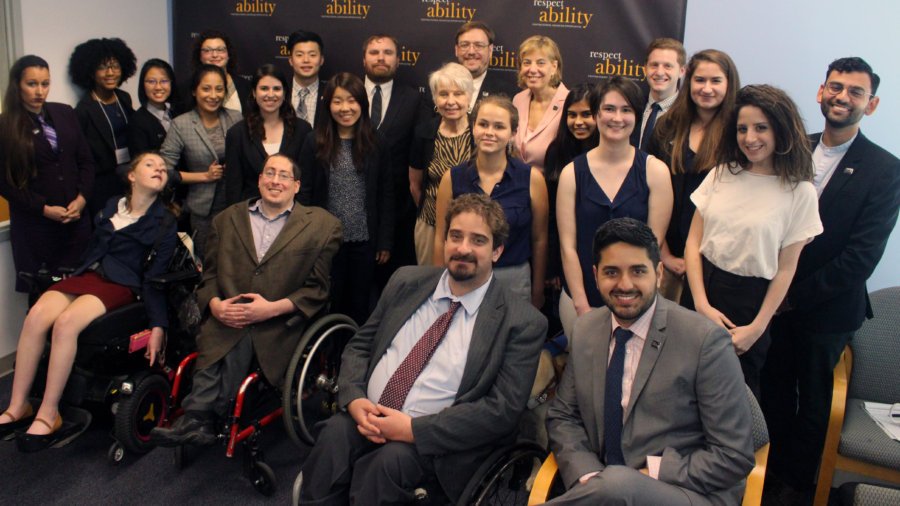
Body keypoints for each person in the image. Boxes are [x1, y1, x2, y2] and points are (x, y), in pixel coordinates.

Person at [298, 193, 547, 505]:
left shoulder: (521, 322)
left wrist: (414, 430)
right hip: (367, 416)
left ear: (497, 251)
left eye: (478, 240)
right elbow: (360, 346)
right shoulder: (406, 281)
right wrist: (355, 398)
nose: (463, 248)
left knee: (386, 466)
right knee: (332, 438)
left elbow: (502, 411)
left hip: (436, 443)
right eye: (455, 236)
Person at [761, 57, 900, 501]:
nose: (842, 97)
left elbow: (860, 259)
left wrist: (793, 297)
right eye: (835, 87)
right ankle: (768, 474)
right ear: (821, 92)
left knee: (815, 403)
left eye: (855, 92)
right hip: (772, 303)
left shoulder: (885, 169)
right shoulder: (792, 147)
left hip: (827, 310)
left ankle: (802, 487)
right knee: (772, 389)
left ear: (871, 104)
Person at [545, 217, 754, 505]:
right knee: (615, 484)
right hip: (604, 489)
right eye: (611, 272)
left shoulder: (706, 342)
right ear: (595, 276)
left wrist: (646, 473)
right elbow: (564, 416)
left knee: (619, 483)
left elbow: (733, 456)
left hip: (686, 492)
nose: (625, 284)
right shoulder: (586, 329)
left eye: (638, 271)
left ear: (658, 274)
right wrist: (588, 475)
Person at [149, 153, 342, 446]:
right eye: (270, 173)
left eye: (284, 175)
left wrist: (269, 310)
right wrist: (215, 304)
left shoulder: (323, 226)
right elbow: (209, 277)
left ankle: (203, 415)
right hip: (226, 314)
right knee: (224, 330)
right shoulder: (226, 220)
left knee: (241, 335)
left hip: (280, 323)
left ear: (297, 185)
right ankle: (199, 418)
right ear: (259, 179)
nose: (275, 180)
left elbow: (317, 290)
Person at [0, 152, 178, 452]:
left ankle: (49, 413)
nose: (159, 169)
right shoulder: (110, 206)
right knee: (37, 314)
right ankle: (18, 406)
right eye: (150, 164)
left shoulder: (165, 223)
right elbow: (90, 252)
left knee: (66, 323)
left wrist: (158, 325)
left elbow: (155, 281)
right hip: (89, 274)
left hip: (124, 283)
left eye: (163, 168)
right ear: (131, 176)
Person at [684, 84, 823, 398]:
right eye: (742, 128)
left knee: (734, 397)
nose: (749, 138)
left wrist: (758, 328)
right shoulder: (721, 173)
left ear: (781, 129)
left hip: (749, 304)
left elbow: (786, 270)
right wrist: (701, 303)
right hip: (701, 290)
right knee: (683, 387)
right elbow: (693, 243)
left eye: (761, 128)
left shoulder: (800, 192)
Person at [557, 77, 673, 339]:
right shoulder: (572, 173)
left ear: (637, 115)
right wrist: (581, 305)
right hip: (581, 298)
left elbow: (652, 249)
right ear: (597, 113)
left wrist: (635, 306)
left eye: (626, 110)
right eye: (609, 109)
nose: (617, 118)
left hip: (636, 302)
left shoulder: (655, 171)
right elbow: (568, 247)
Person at [433, 95, 549, 308]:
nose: (489, 132)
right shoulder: (452, 178)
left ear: (513, 133)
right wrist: (440, 286)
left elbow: (540, 240)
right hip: (462, 277)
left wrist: (538, 289)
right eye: (483, 124)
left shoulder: (532, 179)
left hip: (512, 281)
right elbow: (441, 237)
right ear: (473, 127)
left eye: (499, 127)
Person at [298, 72, 394, 326]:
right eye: (337, 101)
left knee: (360, 306)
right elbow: (305, 191)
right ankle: (327, 360)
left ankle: (353, 357)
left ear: (362, 104)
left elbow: (386, 193)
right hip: (326, 241)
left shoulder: (377, 141)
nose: (345, 108)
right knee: (329, 304)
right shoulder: (314, 141)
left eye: (351, 101)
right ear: (328, 105)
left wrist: (384, 240)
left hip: (364, 241)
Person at [646, 49, 740, 307]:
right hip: (664, 255)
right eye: (700, 80)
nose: (706, 88)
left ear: (729, 84)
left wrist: (695, 262)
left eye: (716, 81)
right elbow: (649, 193)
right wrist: (663, 253)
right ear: (688, 82)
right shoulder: (667, 127)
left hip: (714, 265)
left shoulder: (739, 135)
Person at [0, 55, 94, 295]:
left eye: (45, 83)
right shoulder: (6, 125)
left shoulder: (64, 113)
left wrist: (82, 199)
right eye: (31, 84)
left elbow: (85, 160)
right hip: (37, 227)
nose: (39, 91)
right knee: (44, 297)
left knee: (78, 295)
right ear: (17, 85)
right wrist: (43, 208)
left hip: (75, 221)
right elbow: (6, 183)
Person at [159, 64, 242, 260]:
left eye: (219, 89)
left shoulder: (236, 118)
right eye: (206, 88)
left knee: (236, 261)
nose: (213, 95)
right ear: (194, 91)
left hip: (235, 205)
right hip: (202, 209)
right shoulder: (181, 124)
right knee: (209, 262)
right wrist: (204, 176)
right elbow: (164, 169)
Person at [361, 34, 424, 287]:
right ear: (363, 59)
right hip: (352, 205)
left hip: (397, 211)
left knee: (391, 283)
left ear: (398, 60)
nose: (381, 58)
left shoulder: (413, 99)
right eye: (374, 52)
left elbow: (416, 153)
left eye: (388, 52)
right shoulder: (346, 94)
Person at [409, 62, 475, 265]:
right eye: (444, 94)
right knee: (432, 286)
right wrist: (435, 218)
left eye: (458, 94)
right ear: (435, 98)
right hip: (430, 225)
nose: (451, 101)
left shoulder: (481, 132)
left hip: (474, 229)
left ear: (470, 97)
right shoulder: (424, 132)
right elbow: (415, 185)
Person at [224, 64, 311, 206]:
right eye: (264, 88)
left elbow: (306, 185)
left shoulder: (303, 130)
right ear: (254, 92)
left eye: (276, 89)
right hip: (250, 216)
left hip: (294, 219)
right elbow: (233, 189)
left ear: (284, 93)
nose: (270, 94)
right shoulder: (237, 134)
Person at [69, 37, 137, 217]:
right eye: (102, 67)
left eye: (115, 66)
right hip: (103, 185)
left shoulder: (124, 98)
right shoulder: (84, 110)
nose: (110, 73)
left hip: (131, 178)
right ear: (91, 72)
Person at [544, 83, 600, 294]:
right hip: (562, 252)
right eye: (572, 115)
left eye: (586, 114)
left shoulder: (610, 154)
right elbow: (549, 217)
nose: (578, 122)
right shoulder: (556, 152)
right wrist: (552, 267)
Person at [512, 35, 568, 174]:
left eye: (540, 63)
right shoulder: (518, 100)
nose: (532, 69)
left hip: (552, 187)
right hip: (517, 184)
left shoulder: (569, 103)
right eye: (526, 62)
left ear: (554, 67)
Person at [633, 38, 686, 150]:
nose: (660, 72)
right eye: (654, 65)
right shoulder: (632, 107)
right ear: (645, 69)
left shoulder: (689, 114)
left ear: (681, 71)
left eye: (668, 66)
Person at [454, 21, 518, 112]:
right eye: (465, 45)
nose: (471, 52)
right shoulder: (439, 87)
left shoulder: (509, 94)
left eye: (479, 45)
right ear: (456, 50)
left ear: (490, 50)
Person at [128, 59, 182, 157]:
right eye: (151, 81)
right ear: (143, 84)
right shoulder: (137, 121)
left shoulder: (177, 114)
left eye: (164, 81)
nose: (158, 87)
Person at [188, 30, 251, 113]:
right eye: (207, 50)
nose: (215, 55)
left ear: (228, 55)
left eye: (220, 50)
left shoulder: (245, 86)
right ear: (199, 56)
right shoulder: (188, 87)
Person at [286, 30, 327, 128]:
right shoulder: (280, 92)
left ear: (321, 60)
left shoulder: (331, 93)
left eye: (312, 55)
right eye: (299, 55)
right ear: (291, 60)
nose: (306, 60)